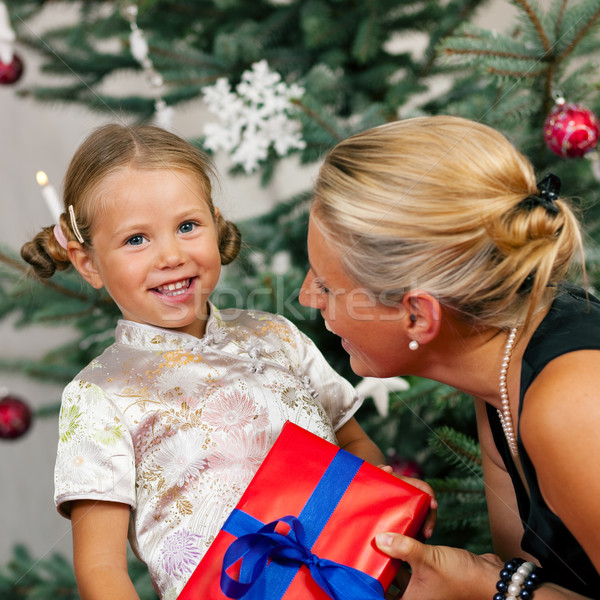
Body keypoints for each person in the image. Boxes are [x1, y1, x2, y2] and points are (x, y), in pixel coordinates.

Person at [21, 123, 387, 600]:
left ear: (216, 224)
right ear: (88, 262)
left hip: (348, 581)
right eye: (136, 239)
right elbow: (101, 567)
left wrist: (381, 509)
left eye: (188, 226)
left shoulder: (276, 335)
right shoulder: (99, 396)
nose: (171, 255)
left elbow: (356, 446)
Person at [299, 115, 600, 599]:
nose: (305, 297)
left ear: (418, 315)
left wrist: (486, 586)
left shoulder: (571, 405)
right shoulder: (500, 372)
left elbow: (507, 586)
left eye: (327, 285)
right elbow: (532, 572)